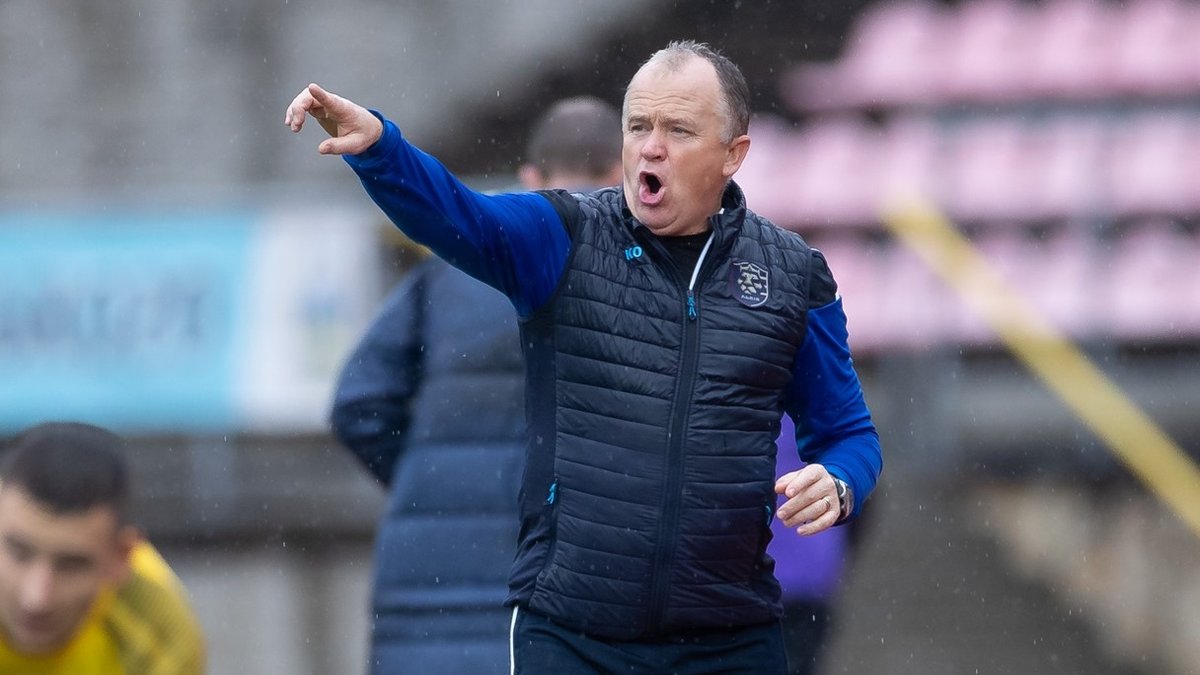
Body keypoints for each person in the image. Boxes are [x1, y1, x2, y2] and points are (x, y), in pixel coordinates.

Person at [287, 40, 882, 674]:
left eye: (678, 130)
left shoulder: (793, 276)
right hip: (572, 634)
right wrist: (381, 149)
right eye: (638, 126)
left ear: (733, 154)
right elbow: (457, 214)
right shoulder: (564, 235)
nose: (651, 147)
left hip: (731, 638)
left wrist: (840, 481)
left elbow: (849, 433)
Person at [329, 96, 622, 675]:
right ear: (623, 174)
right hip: (572, 596)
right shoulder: (647, 271)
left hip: (429, 597)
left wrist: (429, 478)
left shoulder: (448, 270)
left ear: (530, 178)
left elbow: (357, 404)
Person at [0, 421, 206, 675]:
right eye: (19, 553)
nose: (36, 599)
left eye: (71, 566)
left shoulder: (159, 638)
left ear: (121, 558)